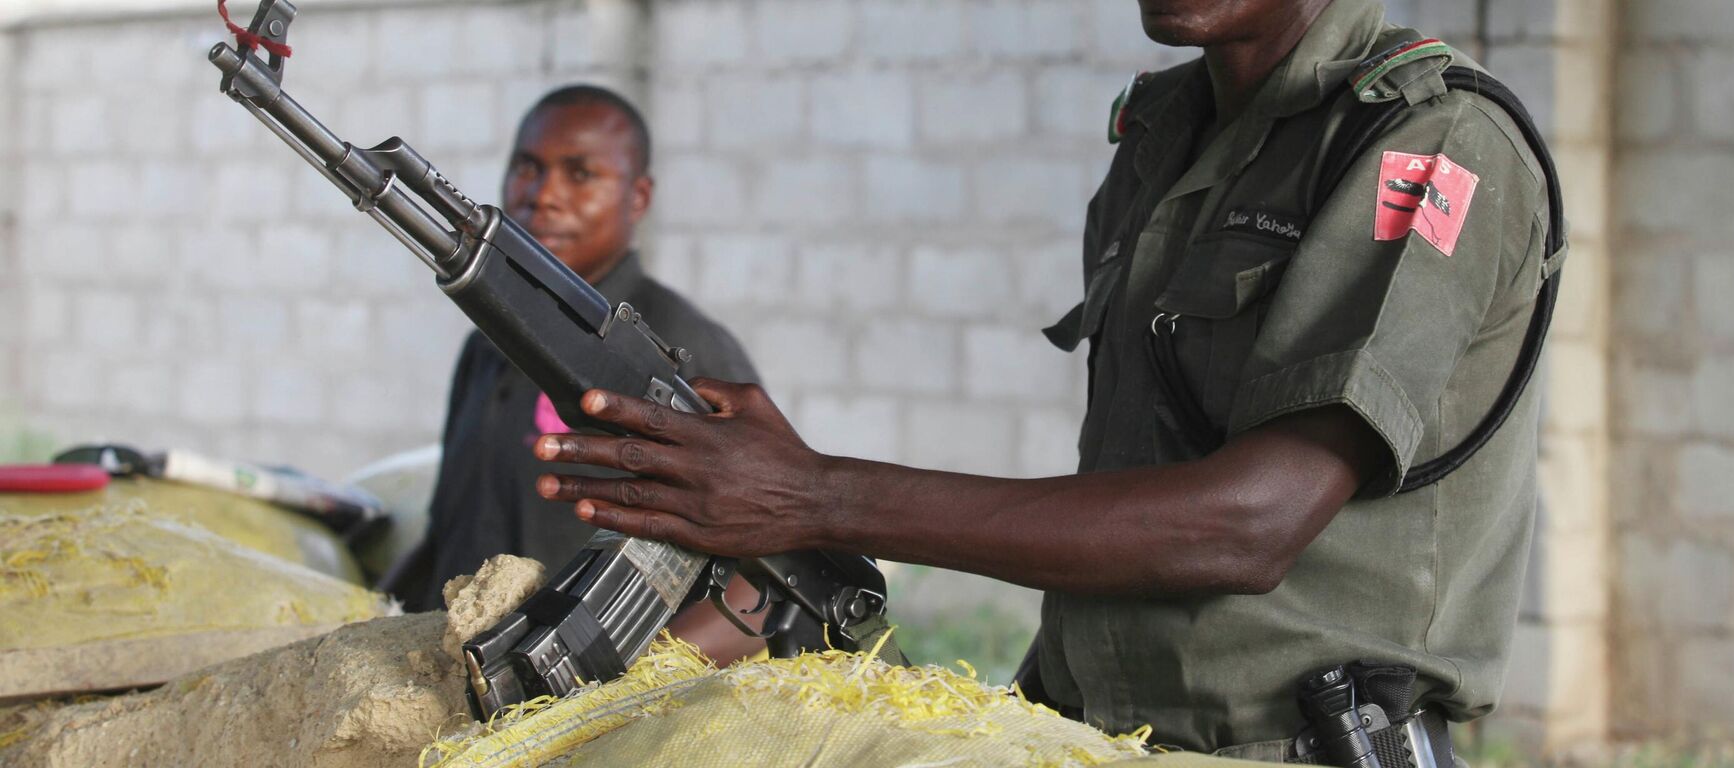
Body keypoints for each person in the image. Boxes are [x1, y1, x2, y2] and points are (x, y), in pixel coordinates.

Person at [528, 0, 1557, 759]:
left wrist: (815, 495)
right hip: (1085, 731)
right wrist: (794, 490)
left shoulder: (1431, 141)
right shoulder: (1165, 134)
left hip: (1291, 746)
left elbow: (1250, 524)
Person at [396, 85, 767, 663]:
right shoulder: (487, 344)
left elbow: (763, 579)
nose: (544, 196)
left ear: (637, 197)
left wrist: (619, 685)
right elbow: (450, 534)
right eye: (528, 168)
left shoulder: (686, 351)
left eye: (580, 174)